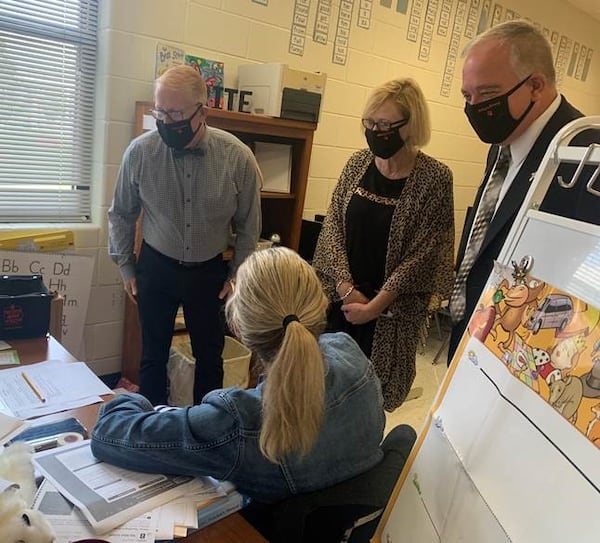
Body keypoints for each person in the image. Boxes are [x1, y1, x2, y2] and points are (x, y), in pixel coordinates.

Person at [91, 247, 396, 504]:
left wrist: (131, 399)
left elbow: (109, 432)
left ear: (238, 328)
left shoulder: (239, 421)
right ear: (321, 307)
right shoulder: (352, 356)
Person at [447, 20, 600, 364]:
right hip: (473, 330)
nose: (474, 108)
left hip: (526, 355)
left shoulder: (585, 157)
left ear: (535, 85)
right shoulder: (505, 143)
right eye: (467, 96)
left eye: (486, 94)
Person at [108, 65, 261, 405]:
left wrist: (237, 274)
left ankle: (205, 431)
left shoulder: (237, 158)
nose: (165, 121)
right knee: (152, 357)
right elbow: (121, 213)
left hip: (208, 272)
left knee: (210, 358)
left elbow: (250, 225)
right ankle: (149, 430)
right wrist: (126, 268)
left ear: (202, 111)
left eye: (175, 113)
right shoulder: (140, 152)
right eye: (159, 111)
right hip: (156, 266)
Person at [311, 78, 455, 411]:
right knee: (324, 390)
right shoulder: (357, 164)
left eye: (386, 125)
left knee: (368, 400)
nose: (376, 131)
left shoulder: (434, 178)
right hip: (342, 302)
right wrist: (348, 291)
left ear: (410, 126)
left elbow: (426, 252)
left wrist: (374, 307)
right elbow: (333, 225)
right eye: (370, 123)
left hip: (391, 314)